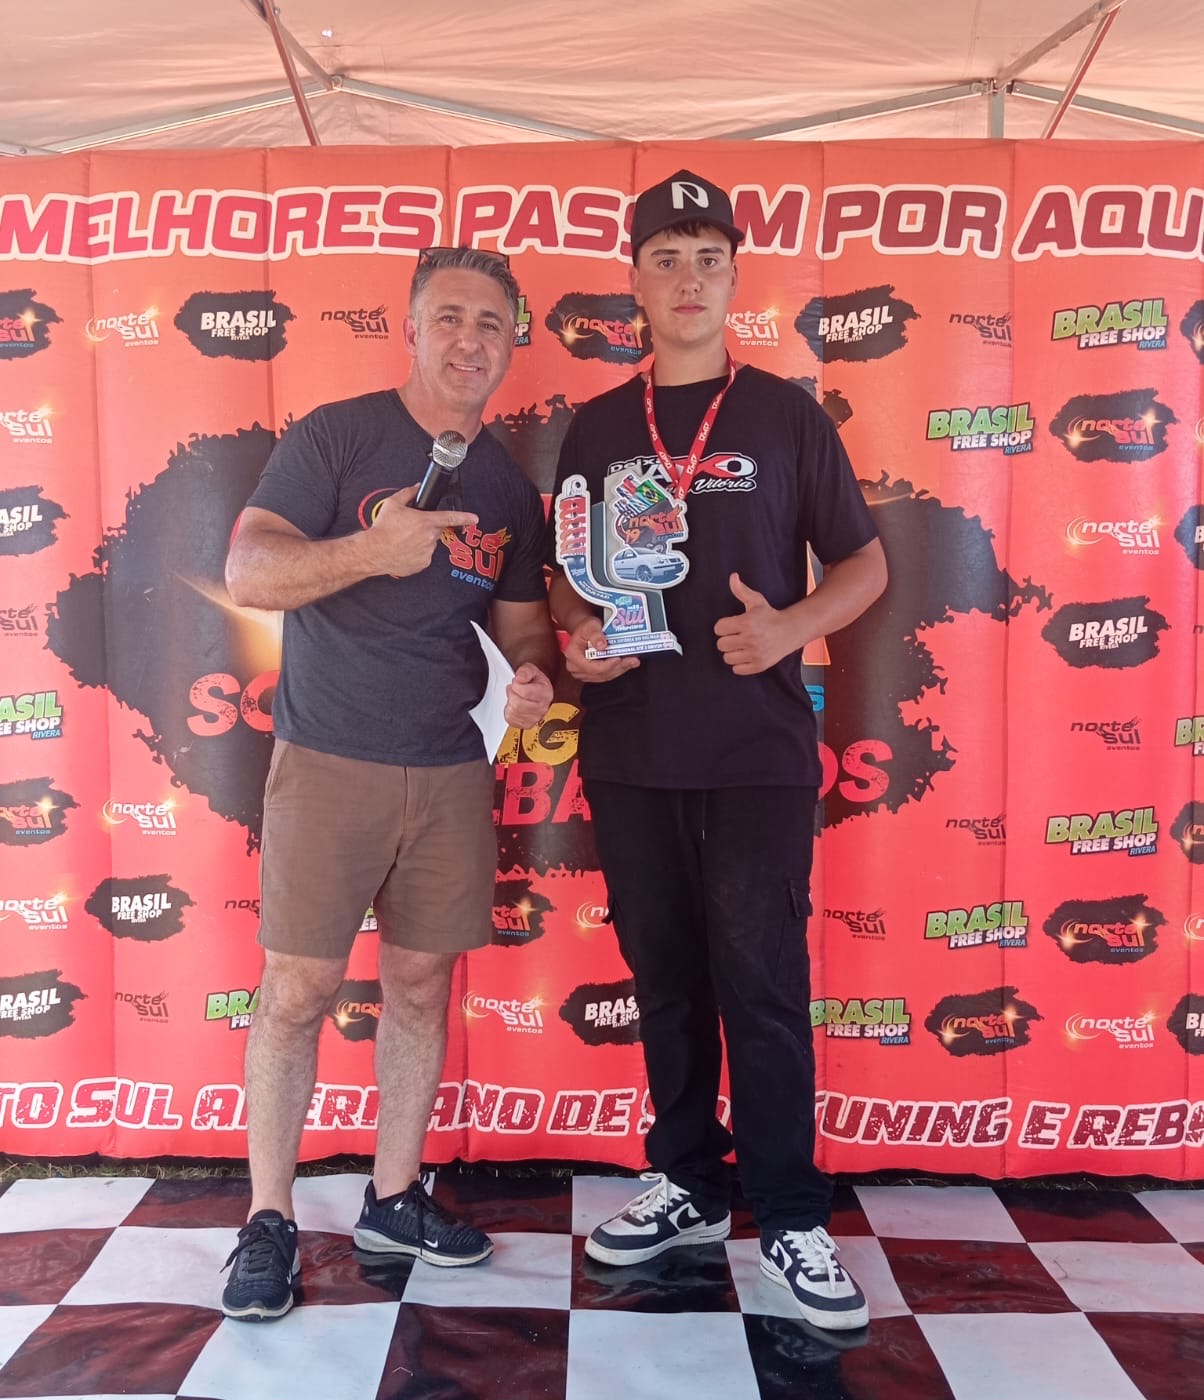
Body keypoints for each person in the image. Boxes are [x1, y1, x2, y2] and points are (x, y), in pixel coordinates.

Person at [548, 171, 887, 1331]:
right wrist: (581, 640)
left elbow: (864, 562)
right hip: (631, 746)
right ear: (635, 284)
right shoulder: (597, 427)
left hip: (755, 751)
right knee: (666, 979)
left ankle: (789, 1213)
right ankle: (688, 1182)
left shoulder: (787, 415)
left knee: (762, 983)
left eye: (707, 259)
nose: (687, 279)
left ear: (735, 278)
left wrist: (791, 628)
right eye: (665, 258)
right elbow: (568, 575)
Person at [221, 246, 557, 1322]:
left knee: (418, 984)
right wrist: (373, 550)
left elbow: (522, 632)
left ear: (513, 344)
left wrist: (536, 680)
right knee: (298, 992)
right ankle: (268, 1219)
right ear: (410, 330)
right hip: (328, 760)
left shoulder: (506, 486)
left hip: (450, 769)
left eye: (491, 323)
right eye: (449, 317)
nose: (470, 340)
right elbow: (250, 571)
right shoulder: (337, 435)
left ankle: (395, 1196)